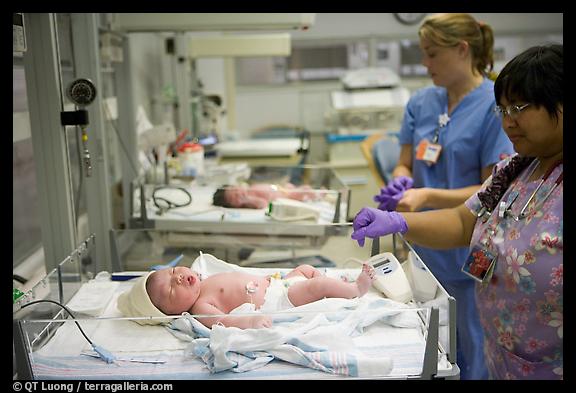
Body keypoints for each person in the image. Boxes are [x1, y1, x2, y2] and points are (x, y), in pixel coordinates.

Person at [352, 44, 563, 379]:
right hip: (506, 358)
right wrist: (397, 221)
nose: (508, 122)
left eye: (520, 108)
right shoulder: (515, 171)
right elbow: (462, 222)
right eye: (503, 110)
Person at [372, 13, 515, 379]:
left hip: (469, 251)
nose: (425, 63)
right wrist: (401, 182)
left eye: (432, 53)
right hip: (423, 247)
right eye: (423, 53)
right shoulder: (421, 103)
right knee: (430, 347)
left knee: (472, 353)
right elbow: (405, 163)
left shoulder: (493, 106)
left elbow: (493, 188)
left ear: (462, 50)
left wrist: (427, 194)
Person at [118, 263, 376, 329]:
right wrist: (250, 322)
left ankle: (331, 289)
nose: (178, 277)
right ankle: (355, 290)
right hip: (278, 301)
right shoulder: (199, 307)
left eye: (174, 271)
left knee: (306, 271)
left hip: (278, 284)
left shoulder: (204, 280)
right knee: (315, 286)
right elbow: (225, 322)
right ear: (172, 313)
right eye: (172, 289)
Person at [212, 183, 320, 209]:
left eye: (235, 190)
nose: (238, 194)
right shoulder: (250, 199)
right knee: (305, 190)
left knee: (302, 189)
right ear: (234, 206)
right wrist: (247, 199)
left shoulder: (250, 187)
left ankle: (319, 195)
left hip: (282, 189)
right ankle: (320, 196)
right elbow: (263, 204)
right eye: (234, 198)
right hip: (285, 197)